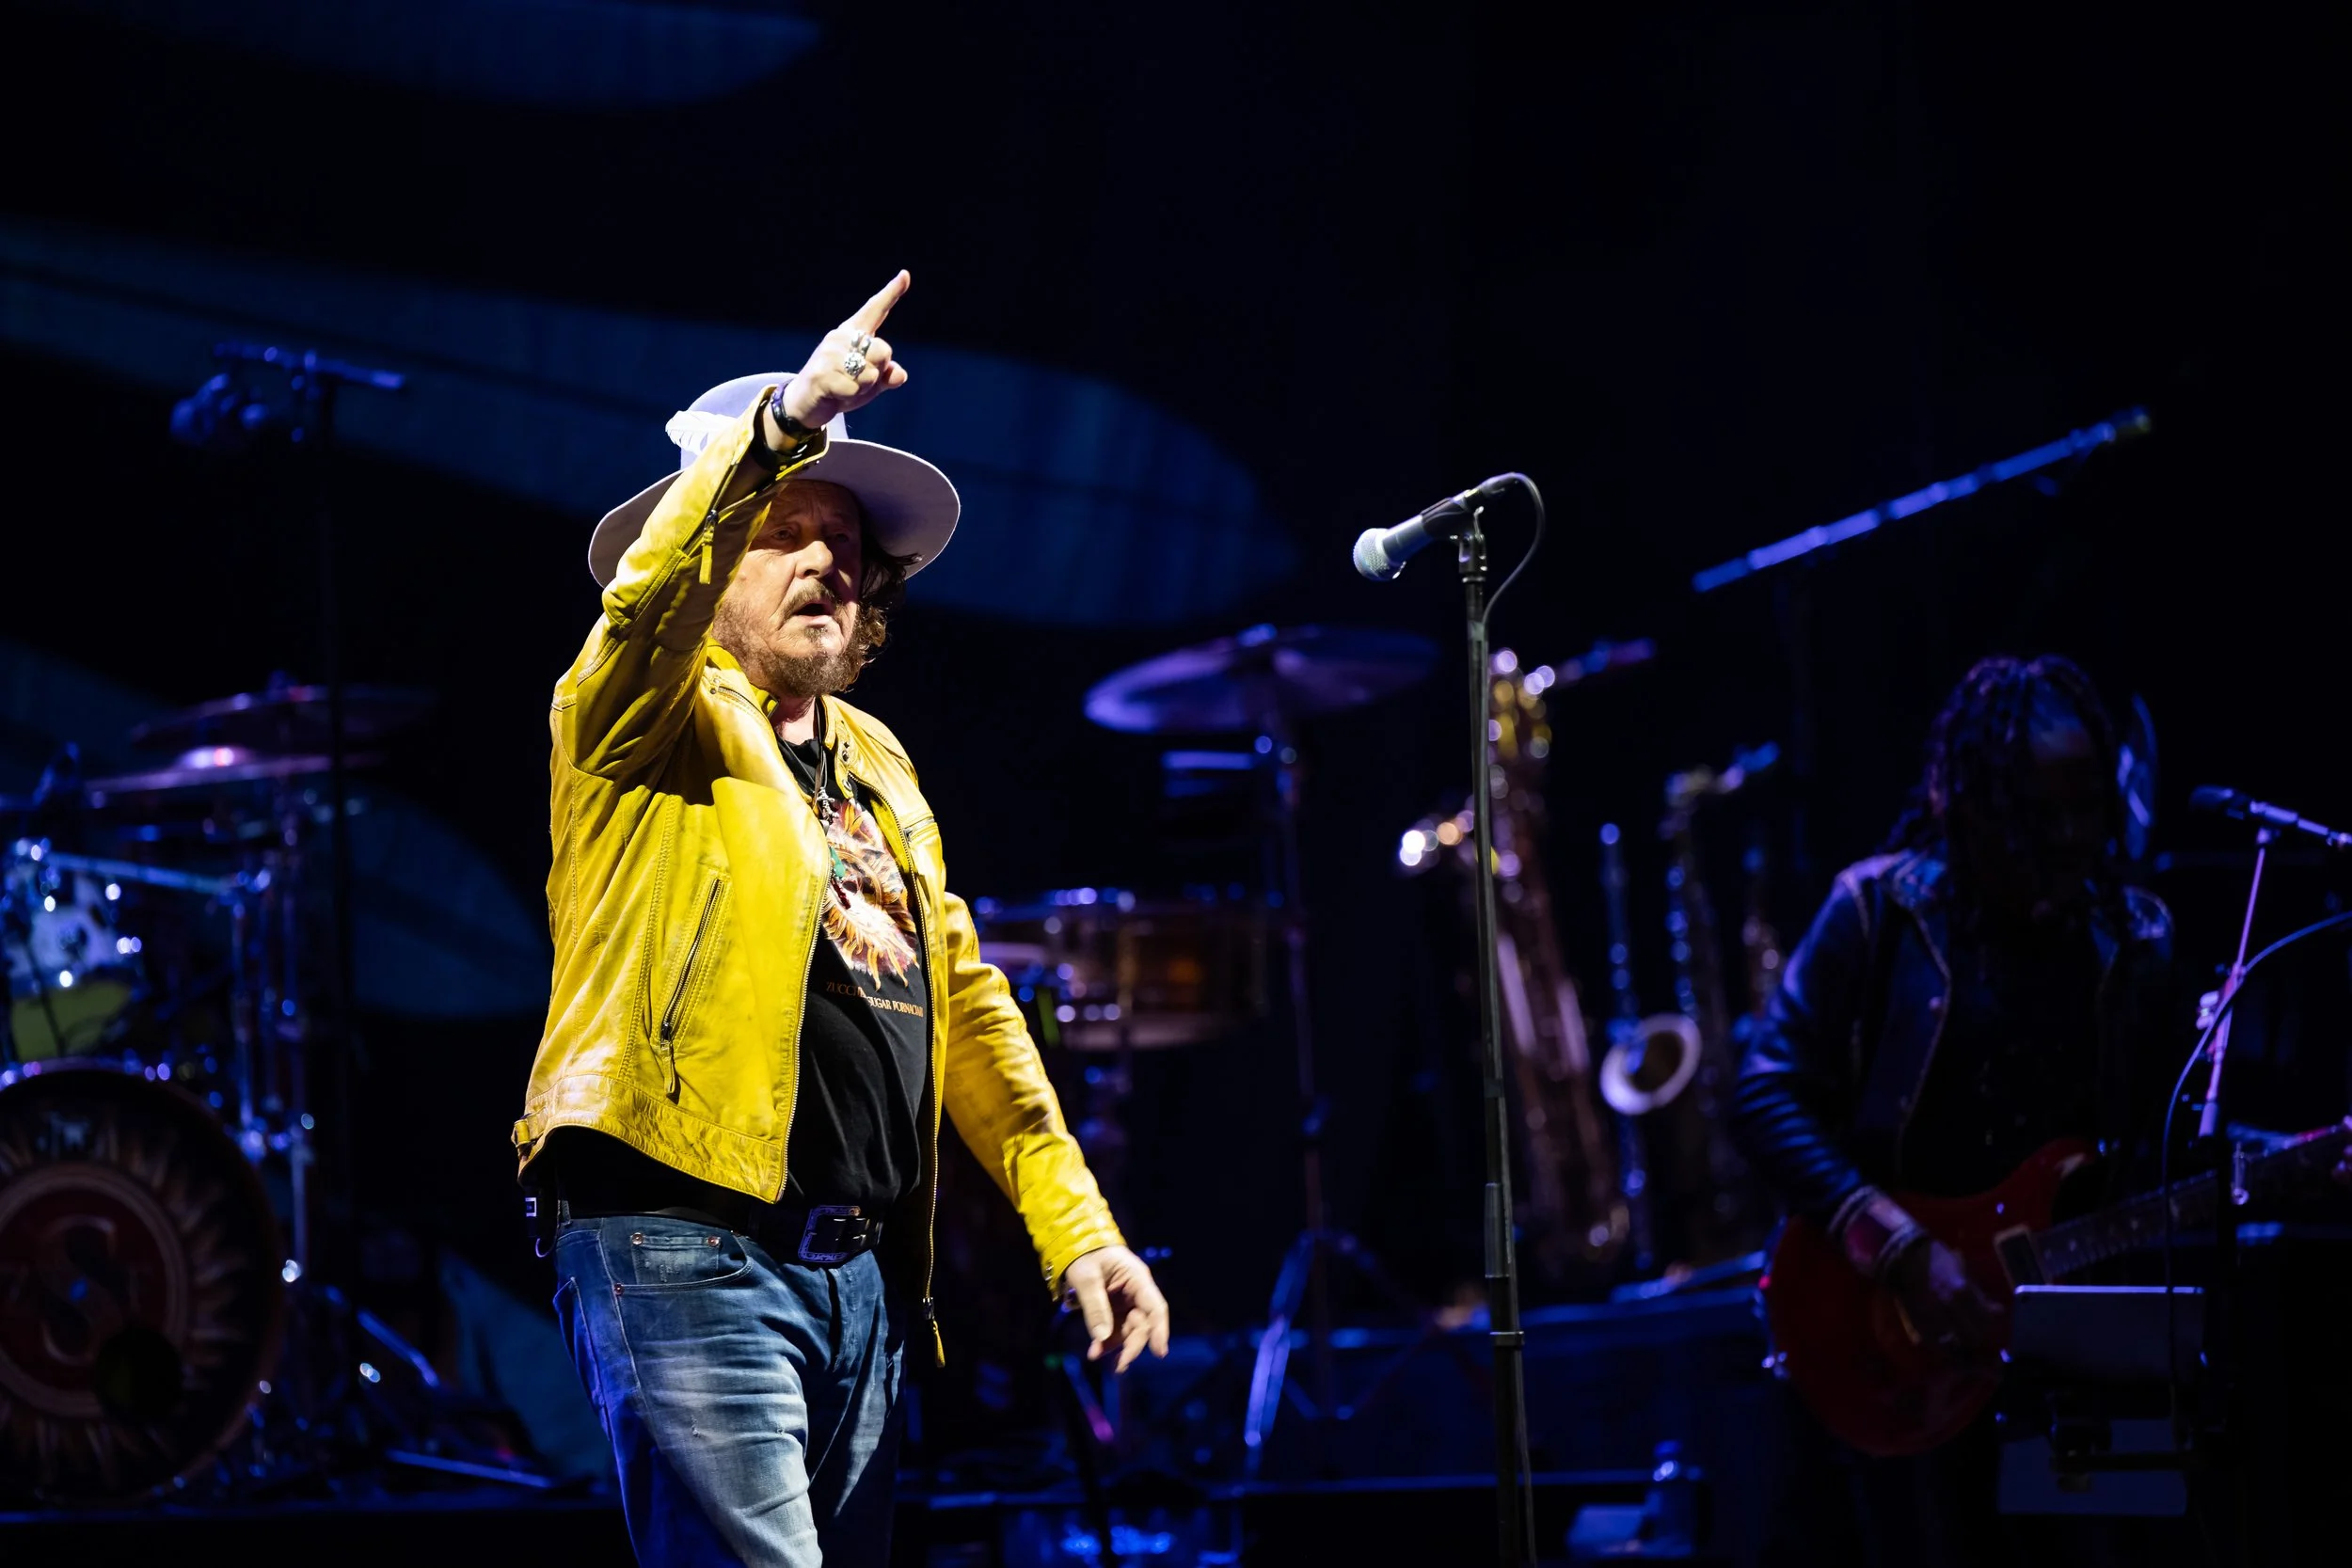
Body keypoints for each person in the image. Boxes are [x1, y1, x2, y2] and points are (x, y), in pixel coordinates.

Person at [512, 273, 1169, 1566]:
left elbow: (964, 1002)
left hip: (858, 1281)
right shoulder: (639, 719)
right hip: (681, 1243)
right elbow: (638, 615)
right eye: (787, 527)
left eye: (850, 543)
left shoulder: (876, 760)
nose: (832, 556)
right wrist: (782, 422)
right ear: (714, 550)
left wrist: (1078, 1230)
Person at [1731, 654, 2181, 1563]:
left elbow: (2164, 1145)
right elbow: (1765, 1088)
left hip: (2069, 1351)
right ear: (1965, 808)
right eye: (2033, 817)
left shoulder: (2134, 937)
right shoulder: (1879, 909)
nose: (2065, 838)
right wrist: (1899, 1249)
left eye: (2085, 808)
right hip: (1902, 1345)